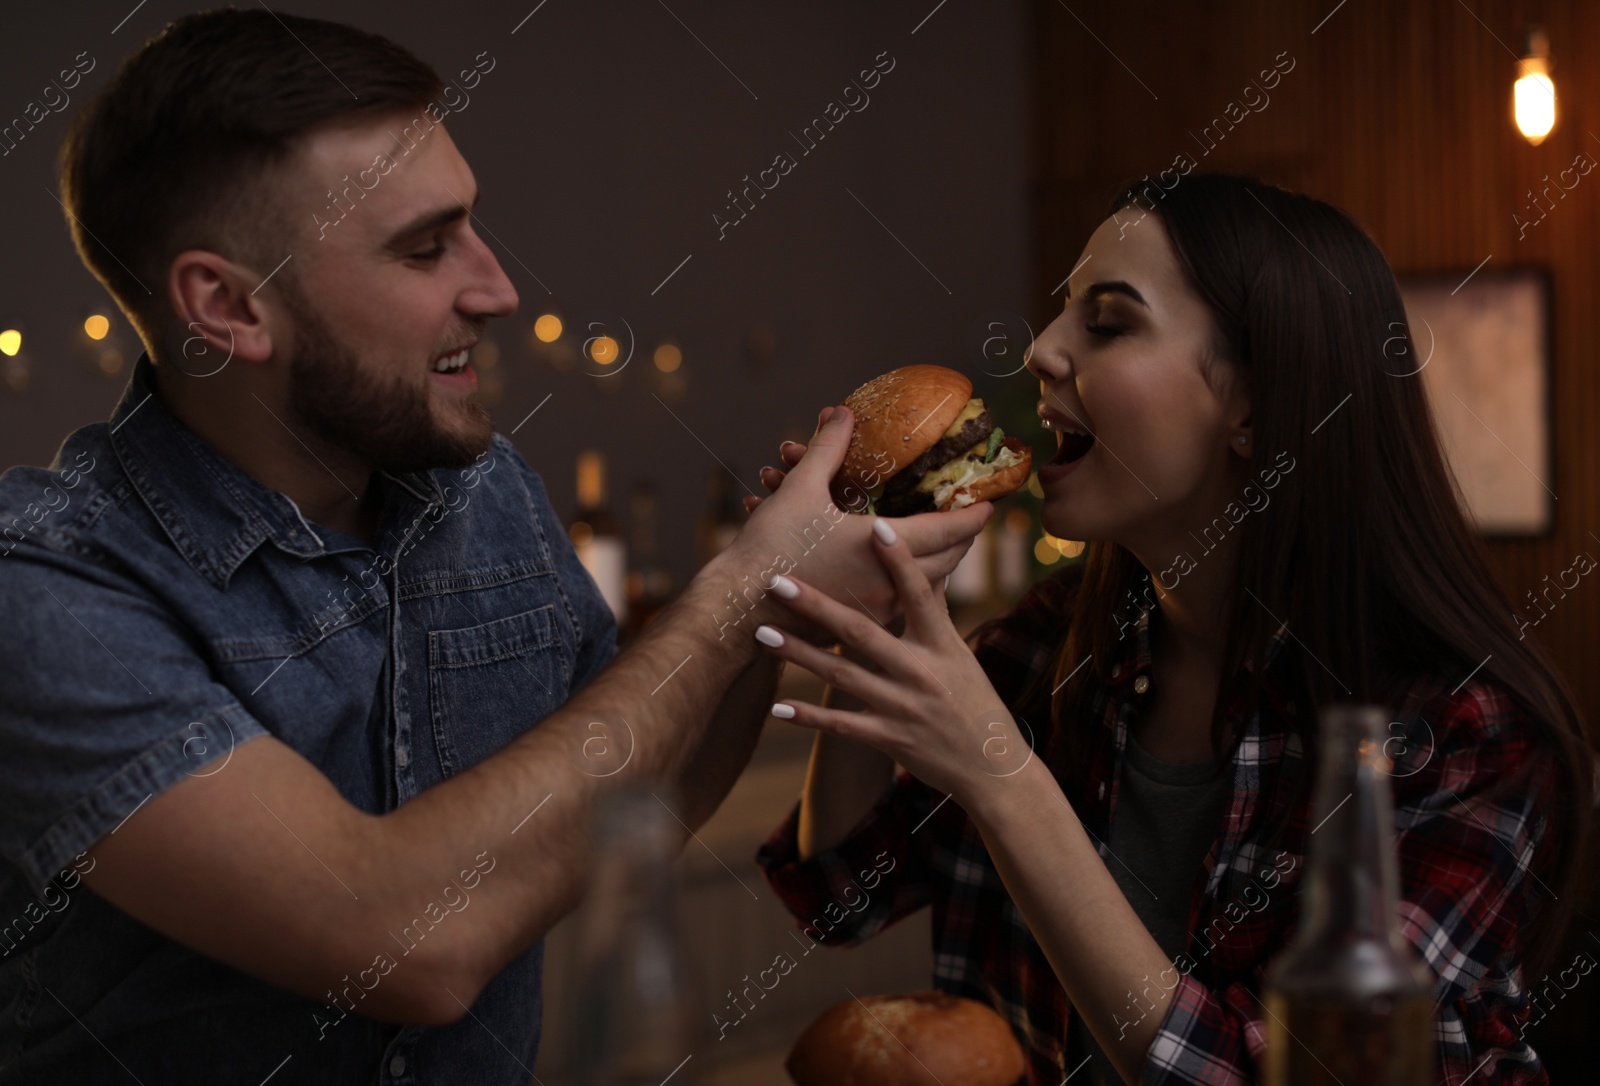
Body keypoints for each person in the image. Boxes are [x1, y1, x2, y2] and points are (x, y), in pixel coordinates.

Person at [0, 11, 990, 1083]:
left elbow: (634, 814)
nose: (496, 288)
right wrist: (738, 582)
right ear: (231, 307)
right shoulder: (44, 592)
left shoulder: (483, 493)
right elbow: (403, 943)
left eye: (471, 226)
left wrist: (782, 593)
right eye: (425, 248)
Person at [749, 173, 1593, 1084]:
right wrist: (869, 612)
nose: (1038, 350)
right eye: (1059, 315)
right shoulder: (1050, 647)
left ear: (1255, 404)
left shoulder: (1463, 737)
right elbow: (840, 894)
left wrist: (999, 771)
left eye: (1107, 323)